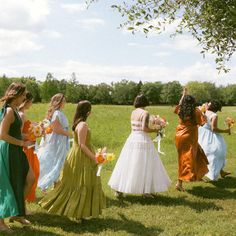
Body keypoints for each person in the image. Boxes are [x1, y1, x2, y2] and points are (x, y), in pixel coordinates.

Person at [40, 100, 105, 219]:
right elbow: (82, 145)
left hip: (75, 154)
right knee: (82, 183)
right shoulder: (83, 125)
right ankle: (79, 212)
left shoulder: (77, 123)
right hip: (81, 156)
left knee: (77, 182)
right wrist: (94, 158)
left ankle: (79, 210)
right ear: (88, 112)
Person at [108, 94, 171, 198]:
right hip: (142, 139)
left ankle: (119, 190)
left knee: (128, 163)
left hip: (132, 138)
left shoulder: (133, 112)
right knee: (145, 164)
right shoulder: (145, 113)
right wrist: (157, 129)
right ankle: (146, 192)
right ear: (145, 102)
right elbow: (144, 129)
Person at [0, 82, 32, 232]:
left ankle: (17, 213)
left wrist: (30, 136)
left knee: (29, 178)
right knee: (7, 184)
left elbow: (15, 132)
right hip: (9, 150)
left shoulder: (13, 110)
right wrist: (20, 142)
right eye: (23, 95)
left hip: (17, 149)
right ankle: (1, 223)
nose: (25, 98)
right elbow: (2, 135)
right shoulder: (9, 111)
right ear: (17, 95)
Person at [175, 88, 208, 191]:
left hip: (179, 136)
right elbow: (202, 123)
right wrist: (204, 112)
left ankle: (197, 175)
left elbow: (180, 104)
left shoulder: (181, 109)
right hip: (190, 136)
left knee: (194, 154)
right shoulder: (196, 111)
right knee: (187, 159)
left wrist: (183, 95)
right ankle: (180, 182)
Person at [37, 93, 70, 190]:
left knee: (58, 161)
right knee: (56, 161)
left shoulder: (59, 112)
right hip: (58, 142)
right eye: (63, 101)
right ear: (58, 102)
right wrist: (71, 134)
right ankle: (54, 183)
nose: (65, 103)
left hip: (60, 140)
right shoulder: (57, 113)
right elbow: (57, 129)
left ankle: (56, 185)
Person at [198, 100, 231, 181]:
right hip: (209, 135)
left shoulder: (205, 111)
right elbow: (214, 129)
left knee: (208, 153)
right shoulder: (214, 115)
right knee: (218, 152)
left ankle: (221, 172)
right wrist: (226, 130)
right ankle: (208, 174)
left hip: (202, 133)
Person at [19, 91, 40, 202]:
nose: (32, 103)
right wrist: (33, 134)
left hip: (30, 148)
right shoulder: (21, 115)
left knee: (34, 173)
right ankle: (23, 202)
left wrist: (36, 127)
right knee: (30, 176)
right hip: (26, 148)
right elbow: (18, 134)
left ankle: (25, 200)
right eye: (31, 101)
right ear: (26, 101)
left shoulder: (23, 114)